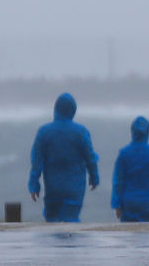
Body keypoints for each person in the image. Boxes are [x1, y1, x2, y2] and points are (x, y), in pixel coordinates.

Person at [28, 92, 99, 222]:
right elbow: (90, 158)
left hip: (52, 188)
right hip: (74, 188)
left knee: (52, 222)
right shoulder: (81, 132)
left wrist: (34, 184)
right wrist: (94, 178)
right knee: (71, 222)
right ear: (73, 110)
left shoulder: (44, 131)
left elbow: (36, 160)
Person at [111, 116, 149, 222]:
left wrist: (117, 204)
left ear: (132, 131)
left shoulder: (124, 154)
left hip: (129, 203)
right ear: (147, 132)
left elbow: (118, 181)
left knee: (129, 235)